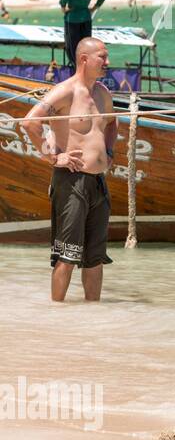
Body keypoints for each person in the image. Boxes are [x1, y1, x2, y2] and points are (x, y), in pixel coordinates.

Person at [20, 37, 118, 302]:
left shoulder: (102, 93)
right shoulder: (65, 91)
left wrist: (109, 153)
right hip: (71, 182)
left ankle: (91, 316)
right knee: (68, 255)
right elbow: (30, 123)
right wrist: (53, 158)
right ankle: (57, 316)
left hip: (98, 183)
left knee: (95, 258)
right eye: (103, 57)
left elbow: (111, 123)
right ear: (84, 59)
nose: (108, 63)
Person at [59, 0, 107, 69]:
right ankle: (87, 69)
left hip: (72, 18)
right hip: (86, 16)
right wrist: (94, 7)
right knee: (86, 46)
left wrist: (63, 8)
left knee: (72, 47)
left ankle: (76, 70)